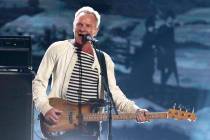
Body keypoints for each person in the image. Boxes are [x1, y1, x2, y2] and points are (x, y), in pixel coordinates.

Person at [32, 6, 149, 140]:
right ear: (73, 26)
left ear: (95, 31)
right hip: (61, 123)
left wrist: (136, 111)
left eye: (88, 25)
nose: (83, 28)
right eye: (79, 24)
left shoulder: (104, 60)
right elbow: (39, 82)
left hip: (90, 129)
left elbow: (114, 93)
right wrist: (45, 108)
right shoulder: (58, 49)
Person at [156, 10, 180, 86]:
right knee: (163, 69)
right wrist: (161, 49)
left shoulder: (171, 28)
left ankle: (166, 83)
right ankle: (162, 85)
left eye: (172, 19)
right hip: (162, 52)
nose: (171, 20)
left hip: (170, 52)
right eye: (169, 18)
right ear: (166, 19)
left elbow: (171, 40)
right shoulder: (162, 28)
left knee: (172, 68)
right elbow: (158, 40)